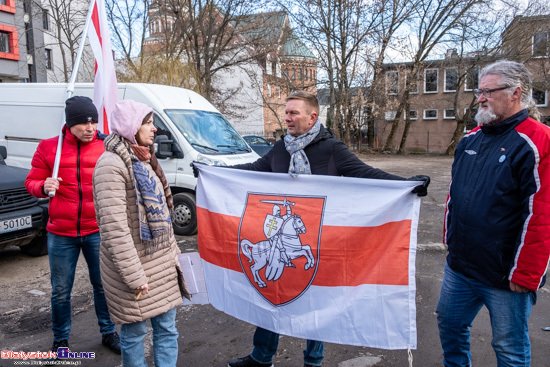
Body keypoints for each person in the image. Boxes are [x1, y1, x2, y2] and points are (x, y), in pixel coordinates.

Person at [225, 90, 430, 367]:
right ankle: (261, 358)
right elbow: (250, 170)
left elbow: (365, 173)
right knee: (273, 296)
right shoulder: (279, 149)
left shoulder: (331, 149)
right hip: (280, 236)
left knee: (315, 300)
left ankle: (314, 362)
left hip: (321, 240)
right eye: (286, 112)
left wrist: (406, 184)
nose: (287, 118)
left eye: (293, 113)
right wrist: (212, 170)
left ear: (312, 117)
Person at [437, 59, 550, 366]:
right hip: (460, 267)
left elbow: (542, 213)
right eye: (479, 90)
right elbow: (454, 195)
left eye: (489, 90)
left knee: (509, 348)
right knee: (450, 328)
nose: (481, 97)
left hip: (505, 275)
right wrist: (450, 238)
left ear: (516, 92)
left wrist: (525, 273)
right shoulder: (470, 139)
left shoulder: (537, 140)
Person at [93, 99, 190, 367]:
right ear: (131, 126)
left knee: (167, 330)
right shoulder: (111, 165)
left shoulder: (145, 158)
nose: (154, 129)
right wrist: (134, 275)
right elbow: (114, 228)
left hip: (160, 265)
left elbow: (163, 217)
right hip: (133, 268)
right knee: (134, 333)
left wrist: (175, 256)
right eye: (148, 123)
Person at [25, 96, 120, 357]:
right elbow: (31, 181)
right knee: (60, 291)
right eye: (84, 123)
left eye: (93, 122)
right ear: (70, 124)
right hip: (61, 233)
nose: (90, 128)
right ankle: (61, 341)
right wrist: (42, 186)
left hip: (96, 229)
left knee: (102, 285)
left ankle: (108, 332)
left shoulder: (107, 145)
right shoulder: (49, 148)